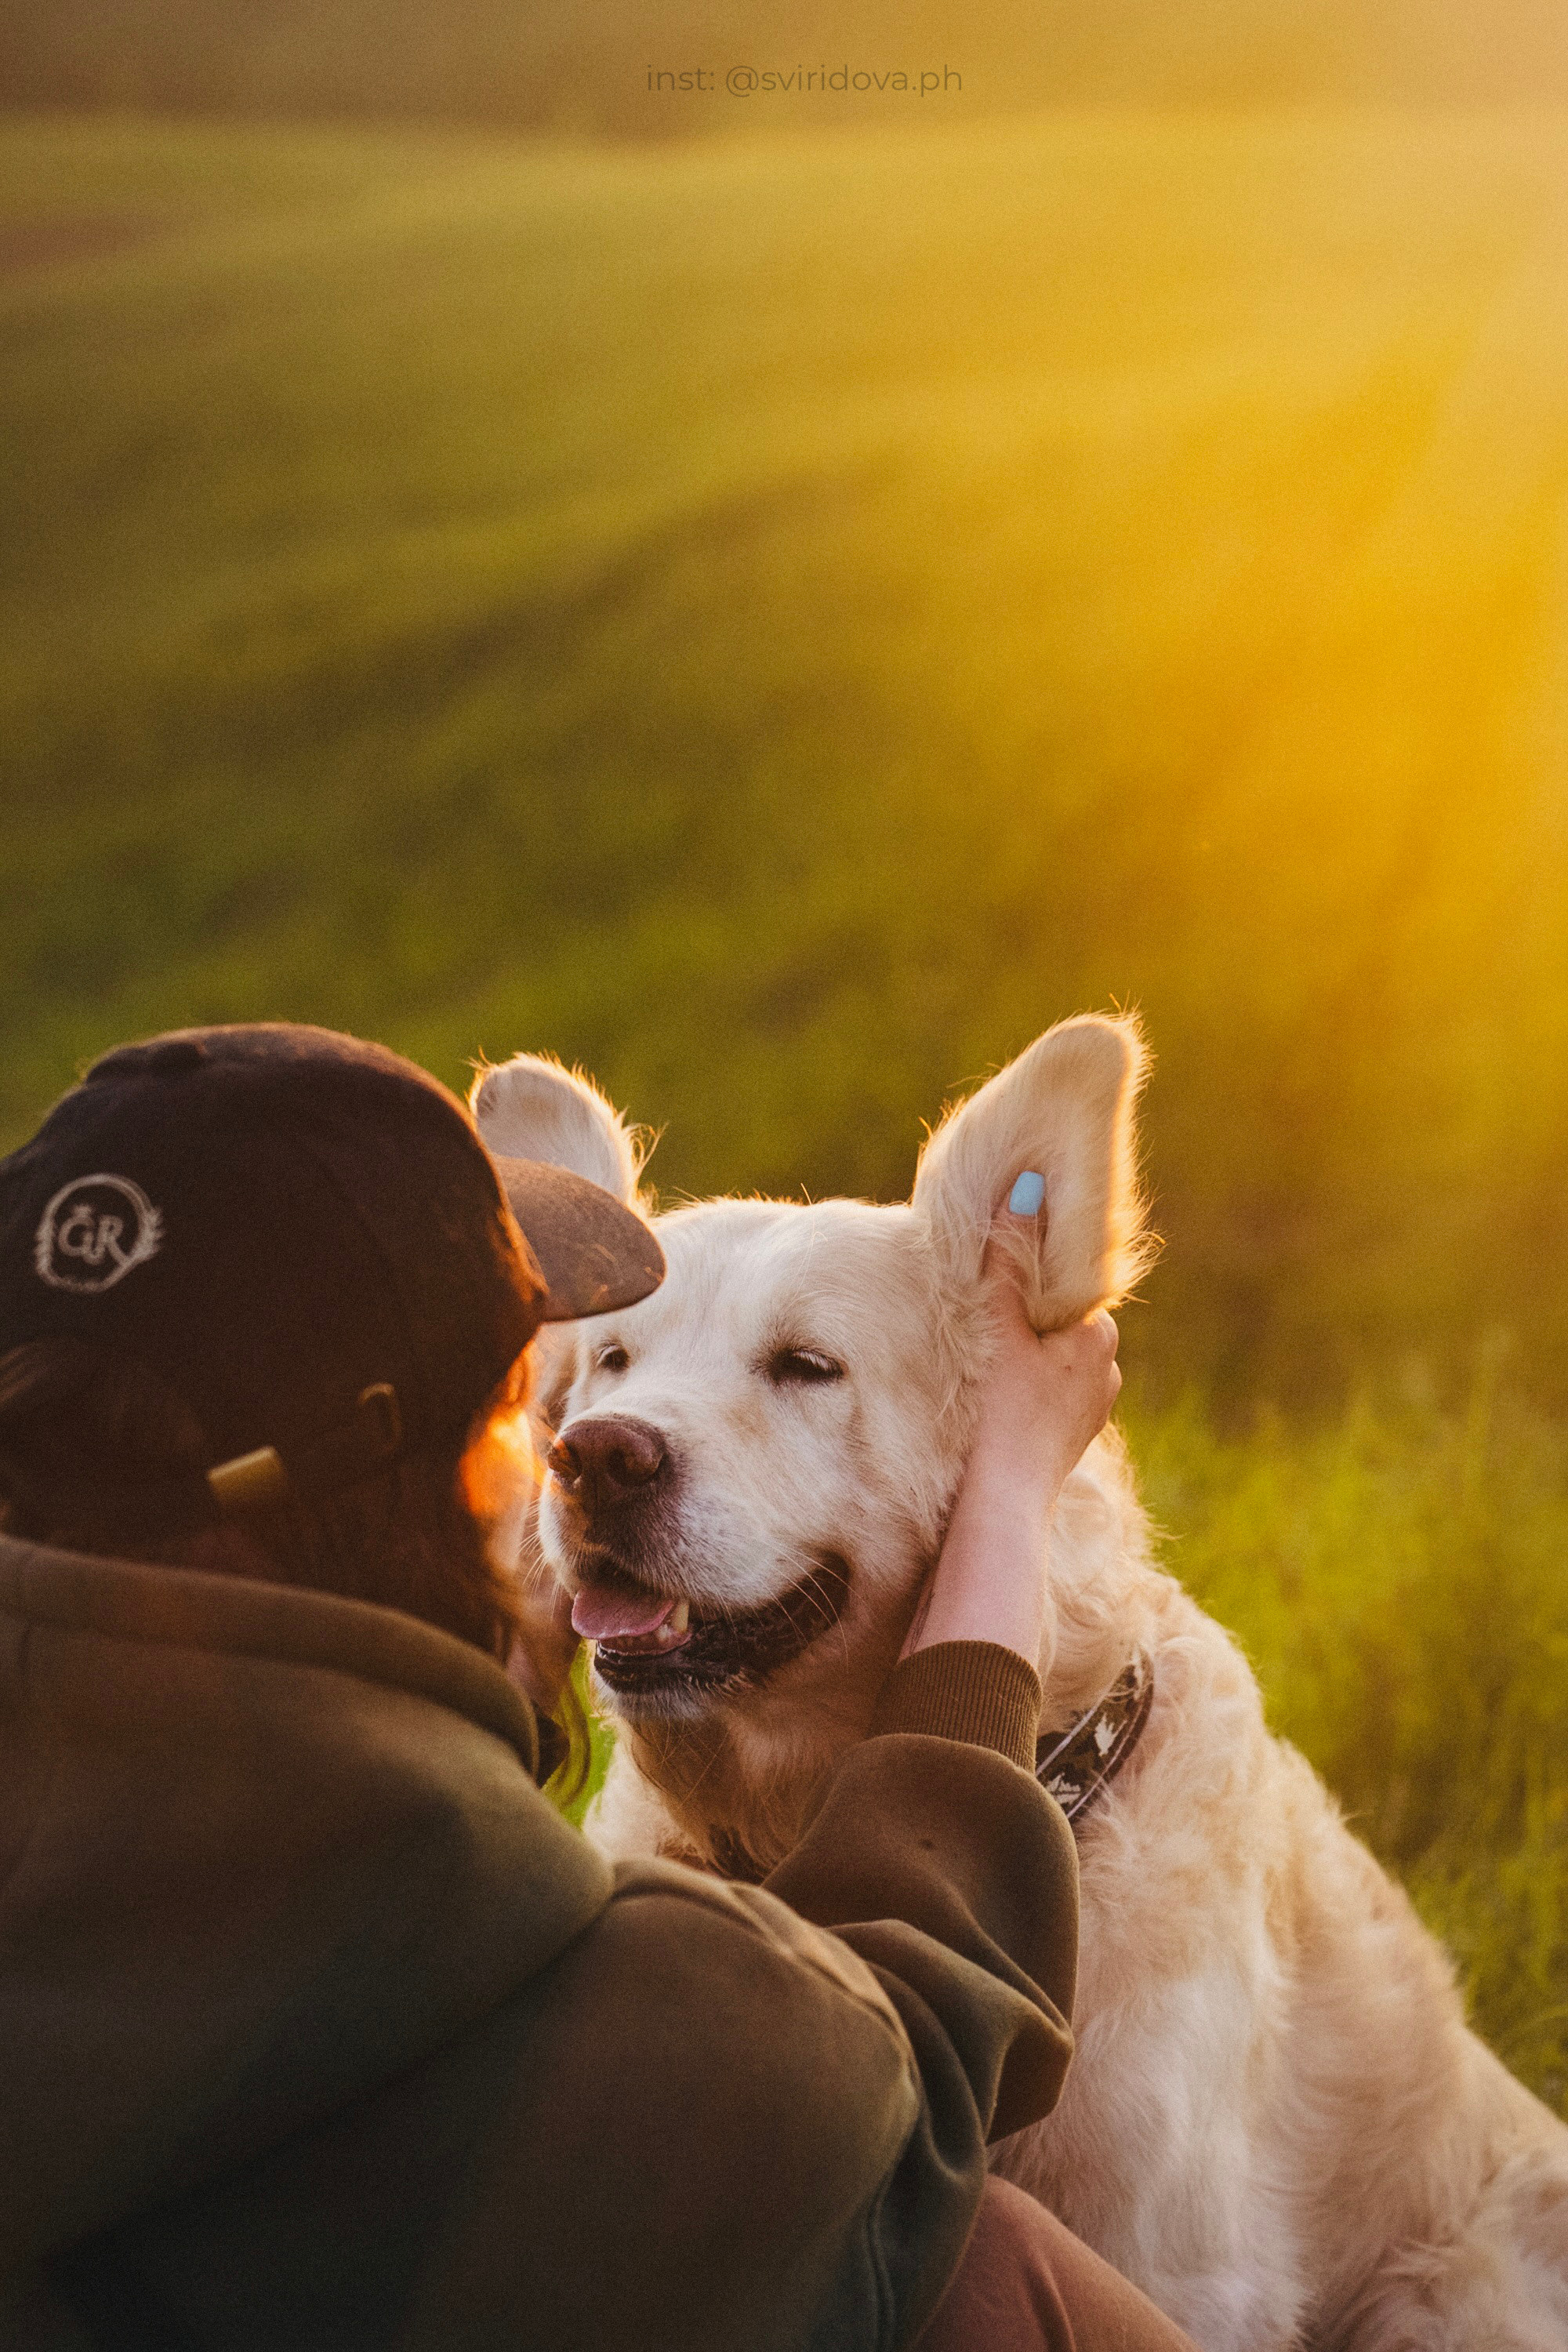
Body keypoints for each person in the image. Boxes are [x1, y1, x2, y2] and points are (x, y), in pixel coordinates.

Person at [0, 1022, 1197, 2351]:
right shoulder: (480, 1947)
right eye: (530, 1395)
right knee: (995, 2280)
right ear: (446, 1471)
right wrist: (1011, 1489)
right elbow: (892, 2108)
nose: (570, 1441)